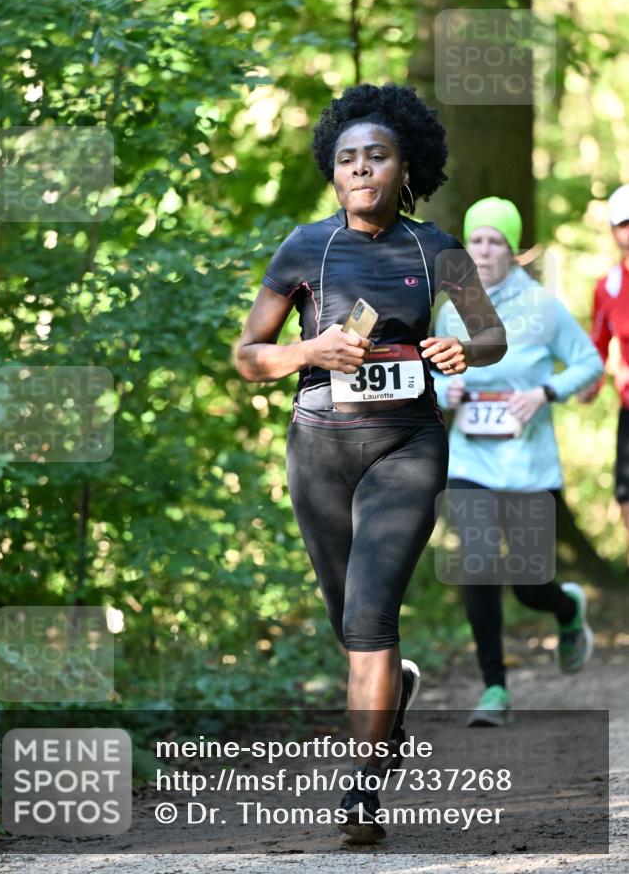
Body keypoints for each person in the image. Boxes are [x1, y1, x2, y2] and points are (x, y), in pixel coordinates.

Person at [235, 83, 507, 843]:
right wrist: (309, 350)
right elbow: (249, 356)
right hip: (319, 444)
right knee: (344, 620)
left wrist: (465, 347)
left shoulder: (435, 249)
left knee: (369, 613)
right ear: (333, 169)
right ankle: (396, 691)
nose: (361, 169)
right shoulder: (303, 248)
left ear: (404, 166)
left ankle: (360, 793)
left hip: (407, 444)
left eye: (376, 156)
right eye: (347, 158)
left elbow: (490, 337)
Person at [432, 196, 604, 727]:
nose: (483, 251)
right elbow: (432, 376)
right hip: (471, 463)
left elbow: (589, 362)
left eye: (495, 242)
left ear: (514, 251)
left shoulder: (542, 307)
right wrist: (446, 392)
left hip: (529, 466)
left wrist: (544, 393)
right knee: (477, 565)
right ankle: (494, 690)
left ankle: (566, 609)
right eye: (475, 240)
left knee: (530, 585)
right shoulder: (450, 307)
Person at [578, 184, 629, 568]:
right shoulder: (608, 286)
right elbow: (599, 341)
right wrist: (590, 384)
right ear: (614, 231)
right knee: (626, 495)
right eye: (624, 224)